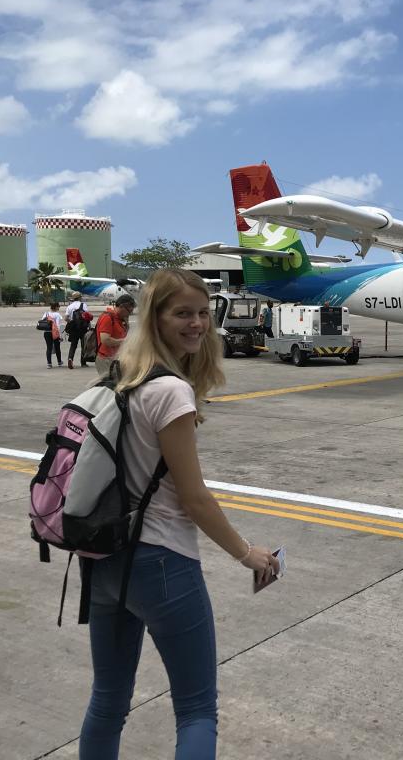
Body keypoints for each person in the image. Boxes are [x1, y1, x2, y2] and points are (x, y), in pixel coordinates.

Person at [78, 269, 279, 759]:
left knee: (108, 700)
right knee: (196, 710)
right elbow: (194, 497)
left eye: (204, 313)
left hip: (104, 558)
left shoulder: (121, 378)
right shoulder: (170, 391)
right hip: (162, 561)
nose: (197, 324)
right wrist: (246, 553)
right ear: (156, 318)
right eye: (183, 313)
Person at [95, 294, 136, 378]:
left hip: (115, 357)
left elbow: (122, 334)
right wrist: (124, 342)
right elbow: (105, 340)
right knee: (111, 383)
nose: (130, 314)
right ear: (121, 307)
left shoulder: (120, 319)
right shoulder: (107, 318)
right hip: (106, 359)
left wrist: (126, 324)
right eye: (129, 311)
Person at [64, 292, 91, 368]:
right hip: (83, 328)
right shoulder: (83, 305)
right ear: (79, 298)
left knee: (73, 345)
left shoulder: (70, 306)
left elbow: (66, 318)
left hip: (73, 328)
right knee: (83, 345)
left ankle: (70, 359)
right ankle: (83, 362)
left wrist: (72, 322)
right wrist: (88, 326)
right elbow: (87, 317)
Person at [40, 301, 65, 368]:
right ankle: (59, 362)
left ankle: (49, 363)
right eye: (58, 306)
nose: (59, 308)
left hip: (46, 332)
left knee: (49, 347)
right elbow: (58, 325)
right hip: (54, 332)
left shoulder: (46, 313)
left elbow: (42, 321)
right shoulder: (57, 315)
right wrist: (60, 335)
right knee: (57, 347)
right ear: (56, 307)